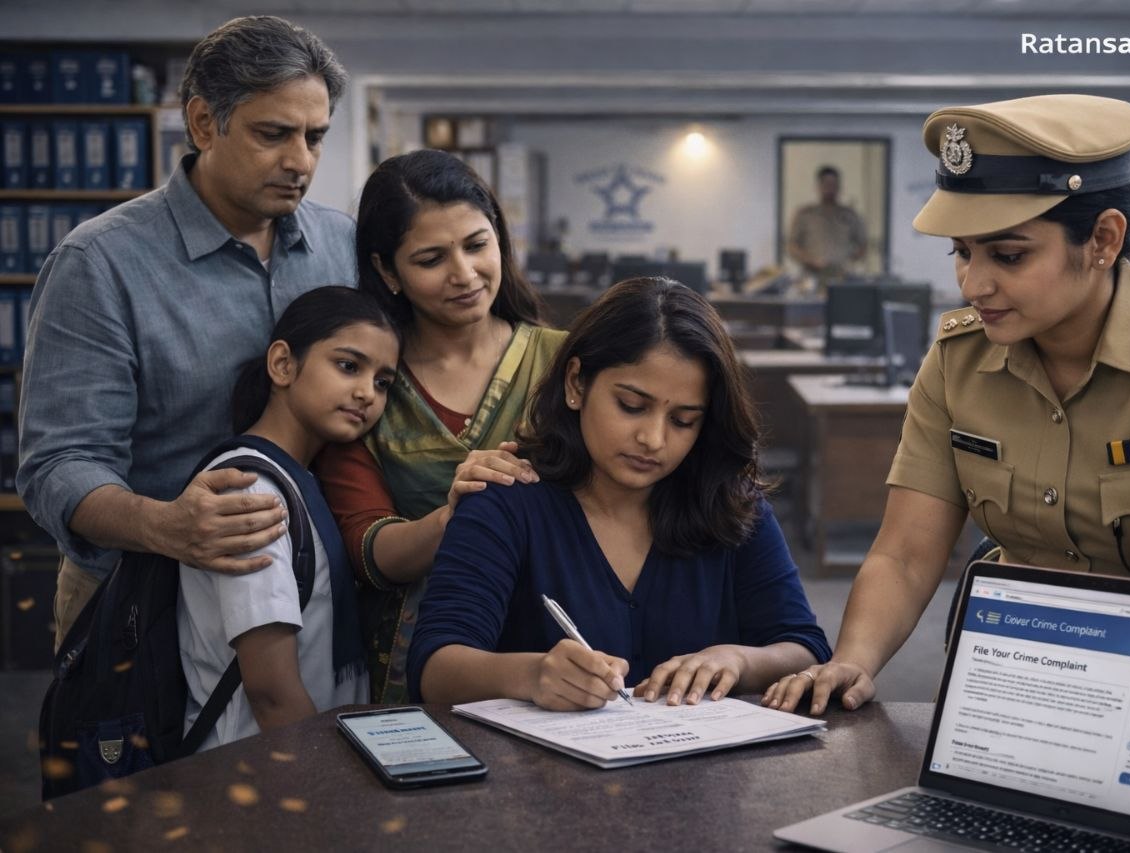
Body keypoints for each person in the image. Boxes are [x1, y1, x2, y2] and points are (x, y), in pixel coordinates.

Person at [764, 93, 1130, 721]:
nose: (973, 284)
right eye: (961, 251)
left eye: (1008, 256)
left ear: (1103, 239)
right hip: (1020, 686)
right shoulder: (960, 360)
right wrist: (853, 660)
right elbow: (904, 553)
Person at [17, 15, 355, 650]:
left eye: (315, 137)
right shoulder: (99, 263)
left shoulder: (343, 244)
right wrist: (165, 525)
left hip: (303, 593)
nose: (299, 161)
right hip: (141, 597)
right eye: (274, 134)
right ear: (204, 124)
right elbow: (59, 465)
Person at [408, 277, 832, 710]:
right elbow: (435, 670)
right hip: (541, 775)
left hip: (701, 774)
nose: (653, 439)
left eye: (683, 420)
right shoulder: (505, 500)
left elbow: (806, 647)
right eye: (631, 406)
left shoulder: (730, 504)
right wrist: (531, 676)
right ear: (576, 384)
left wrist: (738, 660)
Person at [314, 149, 566, 703]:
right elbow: (367, 550)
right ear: (387, 271)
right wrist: (457, 517)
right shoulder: (366, 382)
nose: (465, 275)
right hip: (416, 667)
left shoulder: (565, 365)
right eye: (431, 259)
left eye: (477, 245)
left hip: (562, 643)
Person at [179, 287, 399, 747]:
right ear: (283, 364)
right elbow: (271, 691)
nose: (366, 393)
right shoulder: (249, 488)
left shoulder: (298, 479)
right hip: (257, 769)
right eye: (348, 366)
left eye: (383, 382)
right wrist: (326, 790)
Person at [786, 165, 868, 288]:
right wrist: (809, 260)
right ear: (818, 187)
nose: (830, 188)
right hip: (812, 277)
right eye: (826, 184)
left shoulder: (850, 215)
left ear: (839, 187)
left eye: (834, 184)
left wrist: (850, 261)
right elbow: (792, 246)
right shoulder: (805, 214)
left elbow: (863, 244)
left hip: (842, 277)